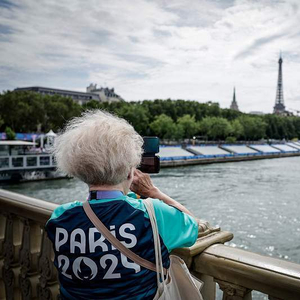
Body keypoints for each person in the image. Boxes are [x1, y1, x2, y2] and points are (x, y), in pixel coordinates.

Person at [46, 110, 198, 300]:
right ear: (129, 172)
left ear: (79, 171)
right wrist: (152, 192)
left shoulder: (60, 216)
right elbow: (193, 226)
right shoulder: (152, 213)